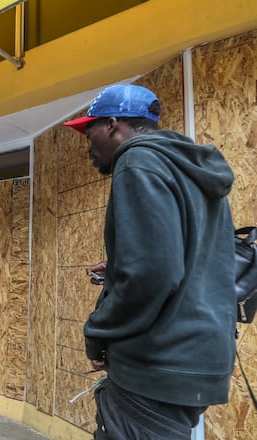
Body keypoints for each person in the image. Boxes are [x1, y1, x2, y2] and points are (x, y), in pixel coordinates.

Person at [63, 84, 237, 439]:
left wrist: (97, 332)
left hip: (156, 361)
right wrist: (118, 266)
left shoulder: (136, 160)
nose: (88, 146)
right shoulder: (187, 168)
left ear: (113, 125)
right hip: (194, 358)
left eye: (89, 130)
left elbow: (153, 273)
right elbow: (189, 256)